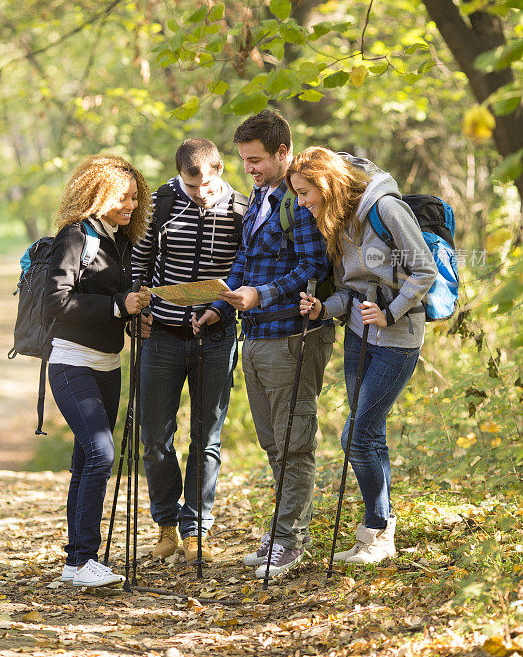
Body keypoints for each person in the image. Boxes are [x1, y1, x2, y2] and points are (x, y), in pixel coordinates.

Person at [194, 110, 335, 578]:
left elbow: (311, 268)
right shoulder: (259, 197)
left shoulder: (300, 202)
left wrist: (263, 295)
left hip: (293, 338)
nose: (249, 168)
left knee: (295, 443)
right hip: (254, 336)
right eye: (244, 161)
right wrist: (222, 304)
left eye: (256, 160)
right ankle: (284, 532)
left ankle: (290, 541)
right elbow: (245, 260)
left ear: (282, 152)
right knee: (273, 444)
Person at [287, 146, 437, 564]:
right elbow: (351, 291)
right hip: (359, 337)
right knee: (370, 435)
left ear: (326, 183)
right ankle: (380, 532)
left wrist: (389, 313)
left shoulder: (385, 208)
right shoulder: (338, 219)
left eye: (304, 193)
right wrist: (323, 309)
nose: (302, 203)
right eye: (297, 195)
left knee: (355, 435)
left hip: (398, 337)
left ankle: (376, 526)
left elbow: (425, 270)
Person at [131, 138, 247, 564]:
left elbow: (244, 266)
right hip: (161, 335)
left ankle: (195, 530)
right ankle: (165, 525)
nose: (201, 193)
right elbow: (139, 266)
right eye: (192, 185)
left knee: (207, 438)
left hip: (216, 338)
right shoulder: (159, 205)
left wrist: (219, 308)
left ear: (220, 169)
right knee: (155, 438)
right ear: (180, 175)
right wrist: (137, 310)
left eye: (209, 184)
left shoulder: (242, 208)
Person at [44, 154, 152, 587]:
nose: (130, 206)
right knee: (101, 454)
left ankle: (76, 562)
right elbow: (57, 300)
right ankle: (83, 559)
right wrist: (116, 306)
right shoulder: (76, 236)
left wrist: (131, 316)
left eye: (134, 199)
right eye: (123, 198)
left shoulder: (119, 239)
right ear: (99, 194)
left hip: (109, 365)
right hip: (71, 362)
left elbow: (114, 300)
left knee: (85, 459)